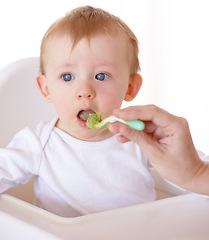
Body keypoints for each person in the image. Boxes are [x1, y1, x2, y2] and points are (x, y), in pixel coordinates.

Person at [0, 6, 156, 217]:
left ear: (130, 87)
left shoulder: (141, 138)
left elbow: (193, 176)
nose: (85, 91)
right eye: (67, 77)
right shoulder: (39, 143)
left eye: (101, 76)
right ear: (46, 89)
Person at [109, 105, 209, 196]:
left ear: (131, 89)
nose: (92, 91)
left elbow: (196, 165)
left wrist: (196, 172)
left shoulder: (146, 143)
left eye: (101, 82)